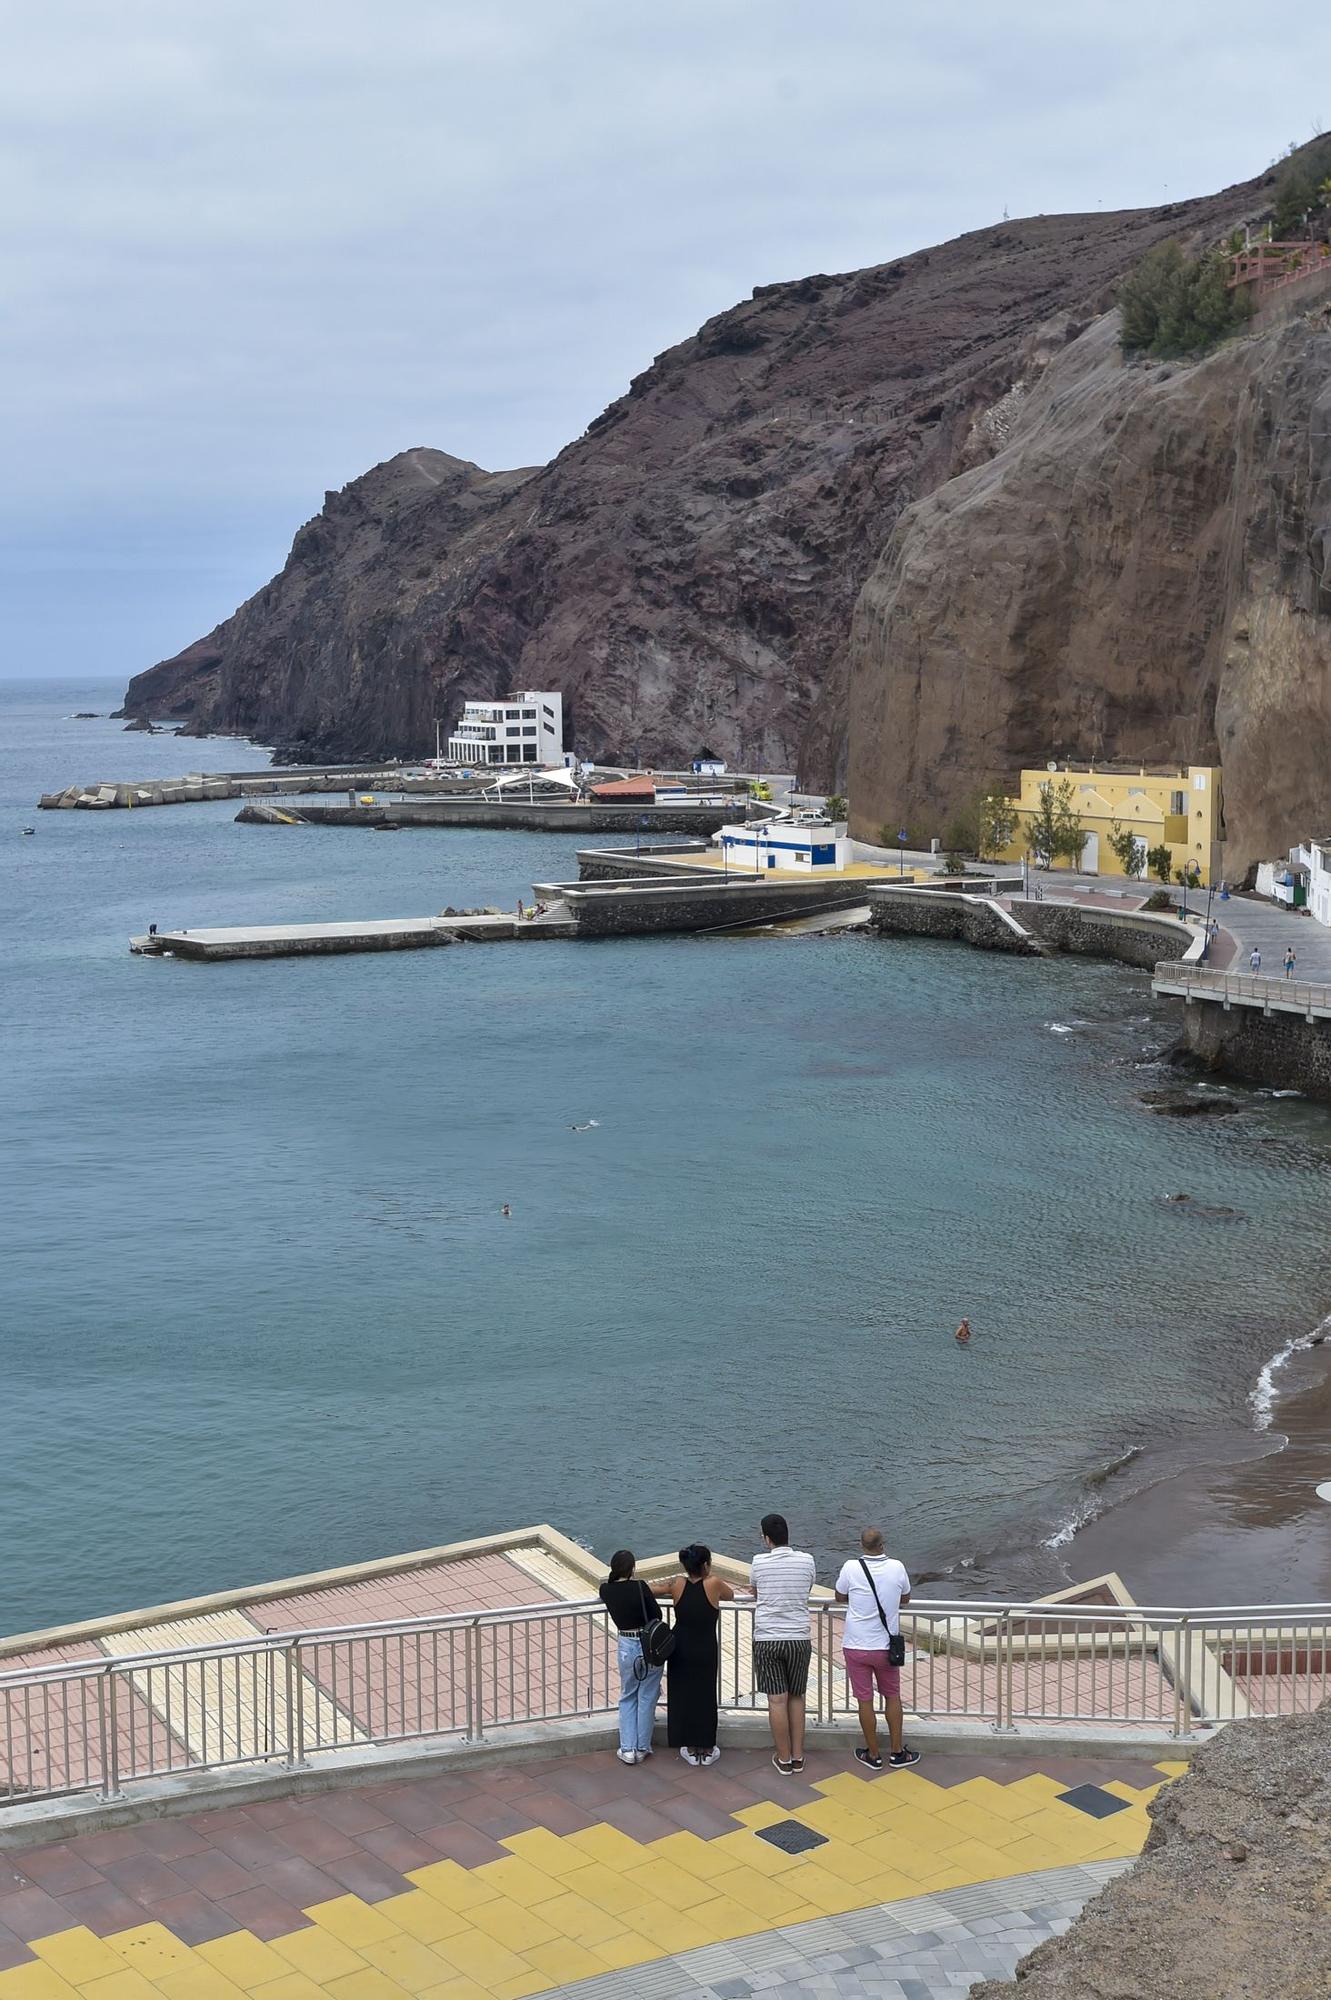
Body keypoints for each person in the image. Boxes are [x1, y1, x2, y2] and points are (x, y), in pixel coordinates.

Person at [834, 1528, 921, 1770]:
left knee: (865, 1701)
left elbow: (839, 1596)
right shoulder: (897, 1567)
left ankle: (872, 1755)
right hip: (886, 1648)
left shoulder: (851, 1567)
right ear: (884, 1545)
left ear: (861, 1546)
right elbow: (905, 1598)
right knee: (892, 1696)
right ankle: (897, 1752)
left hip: (855, 1646)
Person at [750, 1513, 817, 1775]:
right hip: (798, 1638)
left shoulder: (758, 1562)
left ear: (767, 1539)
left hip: (768, 1638)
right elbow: (807, 1588)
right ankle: (799, 1756)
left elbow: (756, 1592)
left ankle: (784, 1758)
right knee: (797, 1696)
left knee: (777, 1700)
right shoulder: (807, 1560)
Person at [659, 1543, 734, 1765]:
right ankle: (707, 1748)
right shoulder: (714, 1583)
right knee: (705, 1695)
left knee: (683, 1696)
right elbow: (730, 1596)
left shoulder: (677, 1583)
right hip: (705, 1647)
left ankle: (689, 1747)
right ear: (705, 1565)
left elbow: (654, 1589)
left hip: (679, 1647)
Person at [599, 1550, 663, 1765]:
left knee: (628, 1695)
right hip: (648, 1646)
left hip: (626, 1645)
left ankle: (627, 1749)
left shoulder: (606, 1590)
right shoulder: (640, 1586)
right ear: (632, 1568)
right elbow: (657, 1615)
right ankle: (643, 1747)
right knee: (647, 1696)